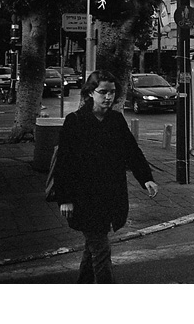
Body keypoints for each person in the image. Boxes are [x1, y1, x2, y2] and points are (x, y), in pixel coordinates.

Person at [53, 70, 159, 283]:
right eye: (103, 92)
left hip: (110, 196)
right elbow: (64, 162)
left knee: (92, 247)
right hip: (85, 198)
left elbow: (132, 151)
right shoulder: (75, 121)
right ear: (91, 93)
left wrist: (146, 177)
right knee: (101, 249)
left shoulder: (116, 120)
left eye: (112, 92)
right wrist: (64, 198)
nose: (108, 97)